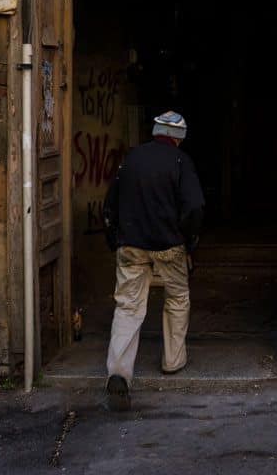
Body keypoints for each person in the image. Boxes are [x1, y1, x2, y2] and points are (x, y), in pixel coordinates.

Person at [102, 110, 204, 411]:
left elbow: (110, 204)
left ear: (155, 131)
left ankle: (119, 373)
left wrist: (115, 239)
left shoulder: (131, 159)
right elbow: (195, 206)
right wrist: (190, 240)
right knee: (177, 297)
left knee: (128, 306)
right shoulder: (181, 162)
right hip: (170, 246)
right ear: (179, 137)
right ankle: (173, 361)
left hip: (131, 246)